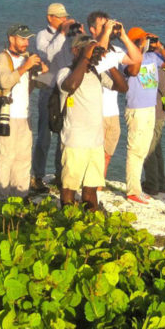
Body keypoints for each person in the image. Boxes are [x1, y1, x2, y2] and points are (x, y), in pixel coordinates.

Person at [55, 34, 127, 210]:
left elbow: (123, 87)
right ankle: (66, 219)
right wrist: (87, 57)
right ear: (75, 51)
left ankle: (90, 223)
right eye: (88, 48)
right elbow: (71, 85)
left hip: (95, 142)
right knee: (69, 188)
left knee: (91, 190)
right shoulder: (65, 72)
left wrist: (109, 64)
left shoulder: (97, 73)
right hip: (75, 141)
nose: (93, 52)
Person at [123, 26, 165, 204]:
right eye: (142, 39)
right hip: (136, 109)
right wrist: (138, 48)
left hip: (150, 108)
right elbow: (132, 71)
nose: (146, 42)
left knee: (144, 151)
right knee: (135, 150)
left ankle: (138, 188)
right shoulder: (125, 57)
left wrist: (160, 47)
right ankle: (133, 190)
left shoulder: (153, 57)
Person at [0, 24, 47, 199]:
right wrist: (26, 66)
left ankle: (20, 197)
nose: (26, 43)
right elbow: (5, 82)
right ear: (11, 39)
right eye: (22, 39)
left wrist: (43, 70)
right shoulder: (2, 58)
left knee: (23, 160)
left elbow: (43, 83)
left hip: (25, 117)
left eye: (28, 39)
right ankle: (1, 198)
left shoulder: (27, 59)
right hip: (8, 117)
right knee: (4, 159)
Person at [86, 11, 142, 177]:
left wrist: (124, 36)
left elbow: (136, 59)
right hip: (95, 111)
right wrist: (106, 33)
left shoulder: (114, 50)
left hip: (112, 111)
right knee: (93, 153)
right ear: (92, 29)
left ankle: (98, 186)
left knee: (107, 153)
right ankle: (89, 186)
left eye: (108, 26)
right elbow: (97, 54)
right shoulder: (88, 47)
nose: (107, 29)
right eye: (102, 27)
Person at [31, 2, 78, 191]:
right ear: (50, 17)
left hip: (67, 90)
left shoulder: (70, 35)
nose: (64, 20)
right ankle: (38, 175)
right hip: (49, 88)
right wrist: (63, 34)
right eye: (60, 17)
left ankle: (61, 174)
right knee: (44, 135)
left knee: (66, 134)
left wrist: (78, 33)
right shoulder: (43, 36)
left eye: (66, 17)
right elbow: (48, 55)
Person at [143, 66, 165, 195]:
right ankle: (160, 183)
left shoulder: (153, 70)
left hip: (152, 114)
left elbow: (146, 89)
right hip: (160, 114)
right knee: (156, 151)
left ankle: (152, 185)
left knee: (148, 150)